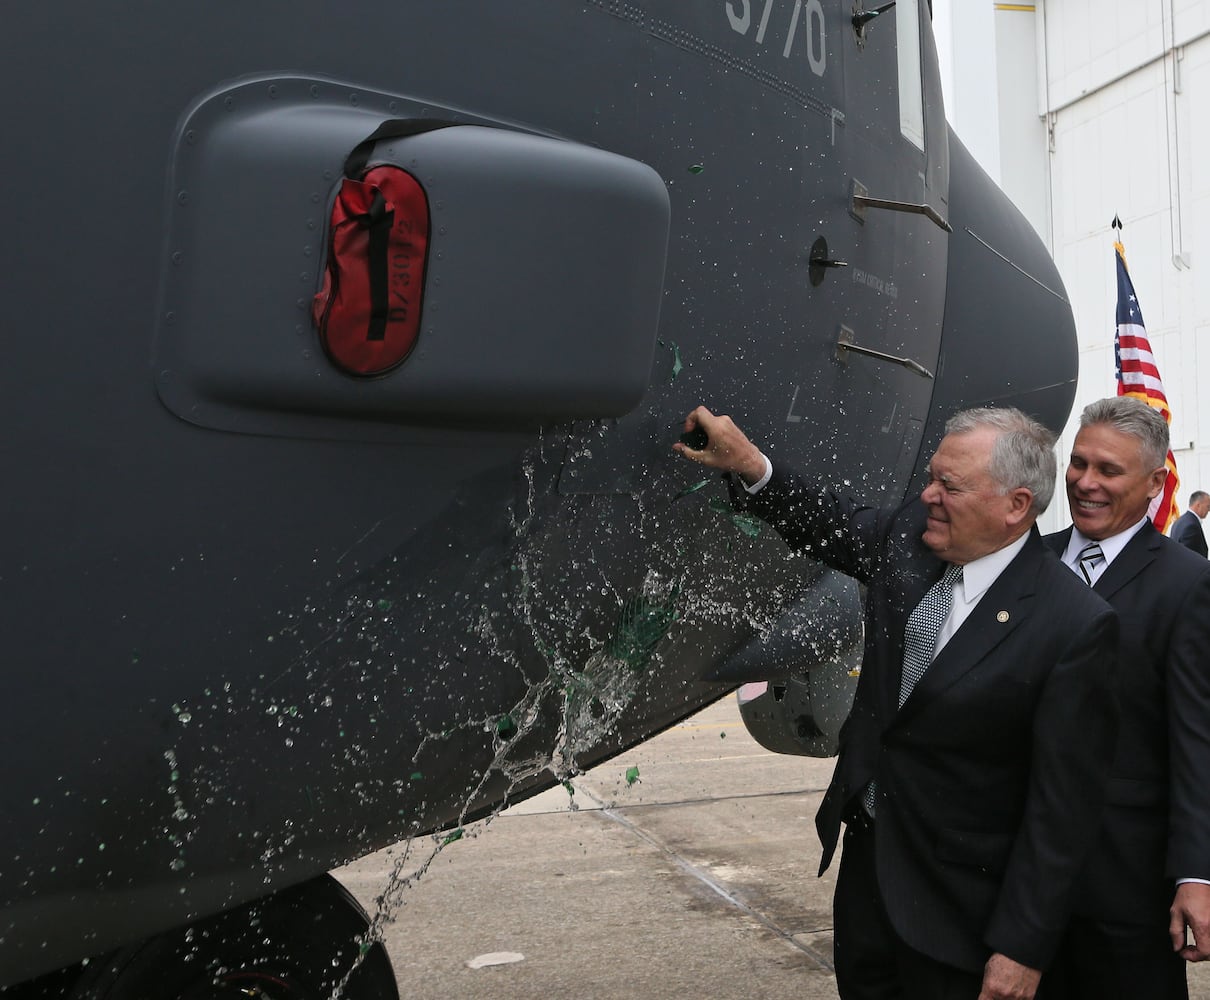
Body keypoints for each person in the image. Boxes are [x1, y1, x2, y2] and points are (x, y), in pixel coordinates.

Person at [673, 404, 1118, 1000]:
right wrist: (750, 464)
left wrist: (1022, 947)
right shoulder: (909, 545)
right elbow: (825, 519)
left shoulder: (1073, 625)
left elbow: (1063, 810)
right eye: (932, 477)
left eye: (950, 486)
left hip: (963, 915)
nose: (929, 495)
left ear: (1016, 505)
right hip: (869, 889)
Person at [1040, 397, 1210, 999]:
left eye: (1108, 471)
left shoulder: (1187, 584)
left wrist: (1196, 874)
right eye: (1079, 464)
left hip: (1125, 889)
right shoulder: (1026, 561)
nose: (1086, 482)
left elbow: (1196, 741)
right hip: (1016, 881)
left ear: (1155, 483)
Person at [1169, 490, 1210, 557]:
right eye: (1208, 506)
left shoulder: (1179, 521)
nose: (1209, 510)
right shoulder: (1191, 526)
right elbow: (1188, 556)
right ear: (1198, 505)